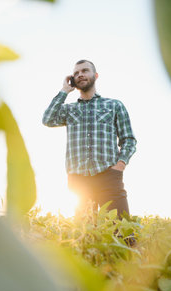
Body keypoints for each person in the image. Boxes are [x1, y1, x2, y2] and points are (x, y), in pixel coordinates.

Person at [42, 60, 137, 218]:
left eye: (85, 71)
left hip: (109, 176)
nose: (80, 75)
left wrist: (120, 165)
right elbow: (47, 119)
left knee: (122, 231)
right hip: (78, 181)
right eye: (76, 73)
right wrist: (64, 91)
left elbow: (129, 139)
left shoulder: (114, 105)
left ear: (96, 75)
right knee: (85, 235)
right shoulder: (69, 109)